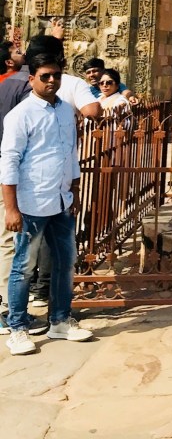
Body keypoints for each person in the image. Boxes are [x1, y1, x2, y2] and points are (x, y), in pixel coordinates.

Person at [0, 33, 100, 334]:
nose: (52, 81)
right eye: (46, 76)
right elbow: (10, 160)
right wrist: (11, 208)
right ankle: (16, 325)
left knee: (63, 262)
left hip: (59, 200)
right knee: (23, 266)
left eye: (57, 76)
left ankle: (59, 320)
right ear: (33, 78)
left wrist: (74, 191)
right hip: (29, 200)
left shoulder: (64, 111)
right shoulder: (21, 115)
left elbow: (70, 155)